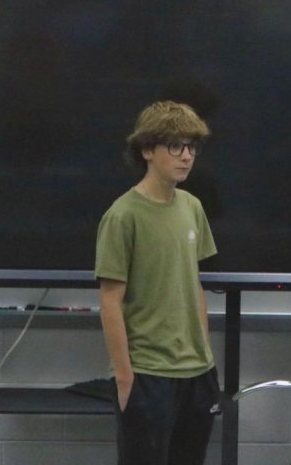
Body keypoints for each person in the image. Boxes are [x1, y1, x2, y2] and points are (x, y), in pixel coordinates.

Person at [95, 101, 220, 465]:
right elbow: (110, 301)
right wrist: (124, 378)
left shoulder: (192, 206)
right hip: (148, 373)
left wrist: (206, 354)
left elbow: (193, 283)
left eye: (192, 147)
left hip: (197, 371)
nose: (186, 156)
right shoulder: (122, 216)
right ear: (147, 150)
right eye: (175, 146)